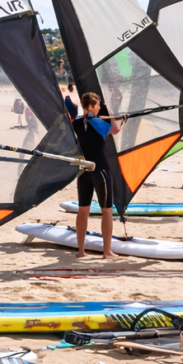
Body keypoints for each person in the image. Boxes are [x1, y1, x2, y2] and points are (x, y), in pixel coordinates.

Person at [72, 92, 123, 260]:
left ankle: (81, 251)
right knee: (107, 211)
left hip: (84, 170)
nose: (100, 107)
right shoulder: (99, 123)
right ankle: (107, 252)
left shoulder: (77, 123)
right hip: (101, 170)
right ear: (92, 106)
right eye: (98, 105)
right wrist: (114, 115)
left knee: (83, 210)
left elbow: (82, 121)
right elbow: (115, 130)